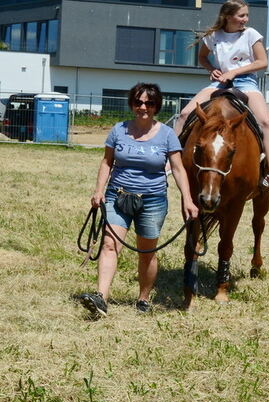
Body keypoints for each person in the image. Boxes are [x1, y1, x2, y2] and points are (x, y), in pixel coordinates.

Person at [79, 83, 199, 318]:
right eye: (138, 102)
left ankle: (143, 299)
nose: (143, 107)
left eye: (149, 103)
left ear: (156, 106)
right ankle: (101, 297)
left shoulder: (167, 134)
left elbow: (178, 168)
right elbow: (107, 162)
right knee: (109, 244)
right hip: (117, 196)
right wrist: (99, 190)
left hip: (152, 200)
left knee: (146, 253)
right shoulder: (119, 130)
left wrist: (188, 199)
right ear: (132, 104)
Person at [174, 0, 269, 194]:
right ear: (227, 16)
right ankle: (171, 160)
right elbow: (202, 57)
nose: (245, 19)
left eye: (246, 15)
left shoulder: (251, 34)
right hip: (220, 82)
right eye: (241, 15)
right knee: (184, 114)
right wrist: (212, 69)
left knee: (265, 122)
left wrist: (234, 72)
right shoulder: (213, 36)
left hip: (246, 82)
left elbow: (262, 62)